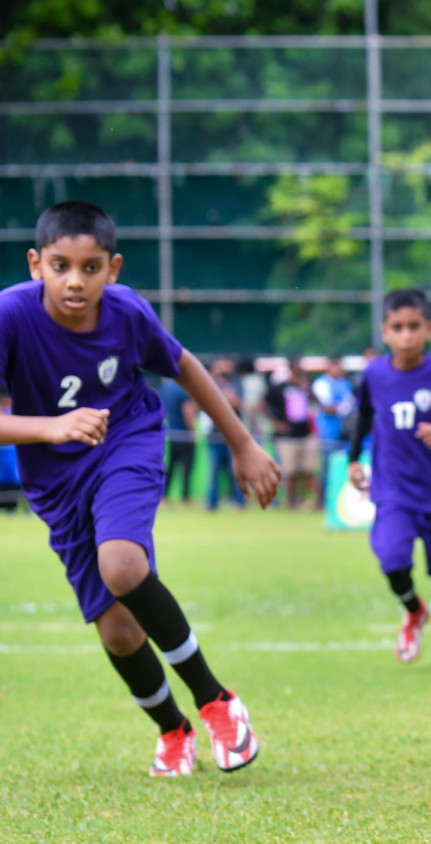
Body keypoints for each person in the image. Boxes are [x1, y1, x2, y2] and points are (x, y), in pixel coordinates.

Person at [0, 200, 277, 775]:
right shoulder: (9, 316)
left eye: (92, 267)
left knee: (123, 567)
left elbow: (185, 366)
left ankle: (215, 701)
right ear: (35, 264)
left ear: (114, 268)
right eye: (60, 266)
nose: (76, 281)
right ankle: (173, 730)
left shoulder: (126, 313)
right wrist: (51, 427)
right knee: (120, 633)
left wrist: (243, 444)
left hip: (126, 442)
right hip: (53, 481)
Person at [348, 288, 431, 673]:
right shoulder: (374, 374)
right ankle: (414, 610)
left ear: (429, 330)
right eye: (397, 327)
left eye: (413, 326)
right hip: (393, 491)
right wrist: (353, 459)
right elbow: (362, 416)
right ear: (384, 332)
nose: (405, 335)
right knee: (391, 558)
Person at [268, 364, 319, 509]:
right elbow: (263, 403)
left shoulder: (305, 386)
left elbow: (317, 401)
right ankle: (291, 503)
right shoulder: (280, 388)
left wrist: (306, 388)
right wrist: (276, 423)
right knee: (291, 473)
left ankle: (318, 503)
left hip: (306, 434)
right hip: (287, 437)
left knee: (310, 471)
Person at [203, 357, 247, 511]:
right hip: (214, 435)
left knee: (235, 470)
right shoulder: (208, 382)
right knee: (213, 470)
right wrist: (225, 398)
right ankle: (211, 503)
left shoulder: (236, 382)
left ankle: (239, 502)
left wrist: (221, 398)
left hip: (232, 436)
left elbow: (237, 402)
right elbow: (206, 402)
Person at [312, 355, 355, 501]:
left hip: (345, 432)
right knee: (326, 467)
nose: (337, 369)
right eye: (334, 366)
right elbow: (327, 407)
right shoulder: (321, 384)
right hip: (328, 432)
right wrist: (342, 408)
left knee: (343, 466)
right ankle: (322, 501)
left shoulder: (345, 384)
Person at [159, 371, 196, 505]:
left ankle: (164, 497)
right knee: (187, 467)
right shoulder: (183, 389)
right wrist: (192, 432)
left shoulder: (165, 388)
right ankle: (185, 498)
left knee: (170, 466)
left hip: (170, 434)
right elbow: (188, 410)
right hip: (184, 434)